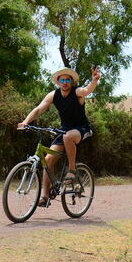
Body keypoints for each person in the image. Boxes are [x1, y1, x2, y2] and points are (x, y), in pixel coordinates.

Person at [18, 66, 101, 207]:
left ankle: (72, 170)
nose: (64, 82)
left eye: (67, 80)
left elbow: (87, 90)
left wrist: (94, 80)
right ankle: (44, 197)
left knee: (68, 137)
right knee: (48, 160)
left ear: (71, 82)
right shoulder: (53, 95)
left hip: (81, 128)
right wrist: (26, 122)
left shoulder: (77, 93)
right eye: (62, 80)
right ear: (57, 82)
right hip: (64, 130)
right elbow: (39, 109)